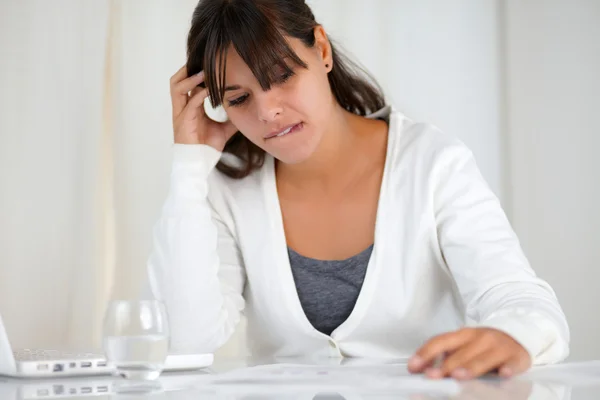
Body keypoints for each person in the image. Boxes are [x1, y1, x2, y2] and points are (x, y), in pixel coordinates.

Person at [146, 0, 570, 380]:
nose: (268, 111)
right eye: (239, 100)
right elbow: (188, 338)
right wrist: (190, 165)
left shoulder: (432, 163)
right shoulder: (224, 189)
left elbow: (517, 296)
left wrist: (512, 335)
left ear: (322, 51)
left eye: (282, 76)